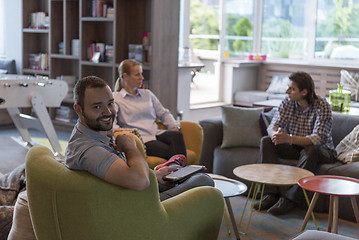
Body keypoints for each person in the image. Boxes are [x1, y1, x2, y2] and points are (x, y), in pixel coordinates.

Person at [64, 76, 213, 201]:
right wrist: (130, 147)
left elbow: (123, 174)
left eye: (110, 103)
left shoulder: (96, 134)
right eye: (97, 107)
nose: (108, 112)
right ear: (79, 109)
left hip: (131, 194)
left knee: (185, 177)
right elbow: (140, 181)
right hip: (138, 207)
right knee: (203, 181)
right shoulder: (89, 149)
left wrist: (155, 175)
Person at [256, 71, 337, 215]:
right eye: (288, 87)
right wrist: (276, 135)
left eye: (292, 89)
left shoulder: (322, 106)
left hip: (323, 151)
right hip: (296, 147)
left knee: (310, 150)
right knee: (267, 142)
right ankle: (270, 194)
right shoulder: (288, 102)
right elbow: (272, 126)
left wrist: (289, 139)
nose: (287, 91)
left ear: (304, 92)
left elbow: (316, 139)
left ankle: (289, 200)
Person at [113, 59, 187, 170]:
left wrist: (174, 126)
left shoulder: (147, 94)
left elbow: (164, 113)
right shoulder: (116, 98)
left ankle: (180, 174)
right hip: (142, 139)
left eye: (141, 74)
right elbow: (113, 125)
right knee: (171, 150)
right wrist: (129, 134)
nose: (142, 78)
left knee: (176, 135)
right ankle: (181, 176)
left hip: (155, 133)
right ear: (125, 76)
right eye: (137, 74)